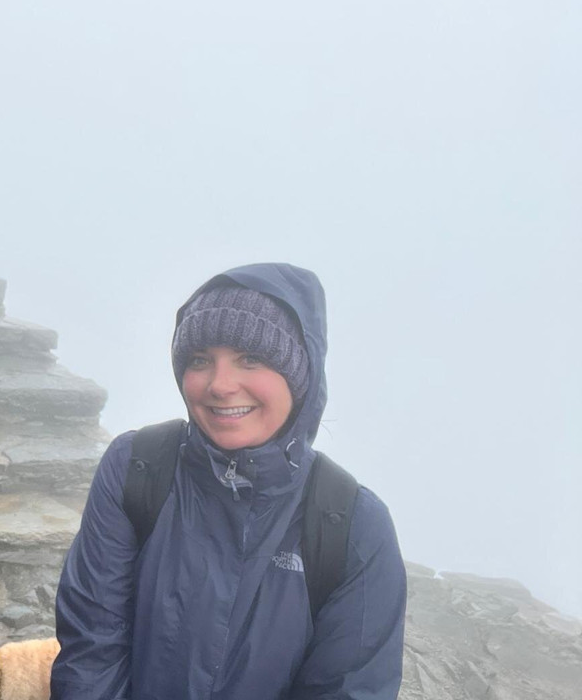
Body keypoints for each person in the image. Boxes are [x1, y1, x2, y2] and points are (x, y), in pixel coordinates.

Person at [51, 263, 406, 699]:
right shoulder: (138, 468)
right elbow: (92, 648)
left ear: (300, 374)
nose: (220, 385)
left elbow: (349, 688)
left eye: (250, 359)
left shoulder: (351, 525)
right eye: (200, 361)